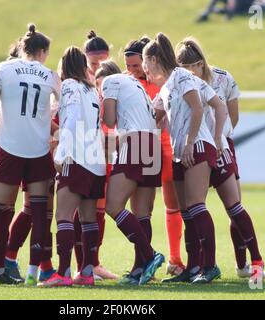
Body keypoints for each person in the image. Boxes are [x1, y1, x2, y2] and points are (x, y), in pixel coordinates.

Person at [0, 23, 60, 287]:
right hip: (39, 151)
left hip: (9, 148)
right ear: (42, 51)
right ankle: (33, 274)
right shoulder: (50, 75)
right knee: (38, 210)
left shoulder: (3, 69)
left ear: (23, 48)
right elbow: (62, 109)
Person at [175, 37, 265, 281]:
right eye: (183, 68)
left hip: (220, 147)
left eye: (192, 66)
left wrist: (218, 138)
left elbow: (231, 117)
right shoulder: (179, 82)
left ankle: (250, 263)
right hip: (193, 150)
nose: (188, 72)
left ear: (200, 63)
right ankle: (198, 265)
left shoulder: (223, 78)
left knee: (234, 206)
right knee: (193, 209)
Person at [143, 33, 222, 284]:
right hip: (180, 152)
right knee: (186, 212)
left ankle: (209, 266)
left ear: (154, 59)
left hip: (196, 146)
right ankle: (193, 266)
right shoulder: (165, 86)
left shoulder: (181, 76)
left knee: (197, 206)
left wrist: (189, 142)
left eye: (145, 62)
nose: (144, 68)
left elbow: (198, 107)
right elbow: (151, 116)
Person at [39, 46, 107, 287]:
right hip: (95, 160)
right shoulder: (91, 90)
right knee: (88, 219)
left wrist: (61, 153)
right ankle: (86, 272)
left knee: (64, 216)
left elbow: (71, 119)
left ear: (64, 66)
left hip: (76, 157)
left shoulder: (69, 86)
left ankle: (64, 273)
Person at [95, 60, 165, 286]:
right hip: (152, 144)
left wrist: (101, 106)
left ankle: (149, 255)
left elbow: (110, 120)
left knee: (113, 206)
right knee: (142, 213)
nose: (99, 91)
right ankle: (139, 269)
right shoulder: (134, 84)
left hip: (135, 142)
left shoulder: (109, 81)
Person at [124, 36, 186, 276]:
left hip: (167, 147)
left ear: (148, 62)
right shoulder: (126, 83)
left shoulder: (163, 80)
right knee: (142, 209)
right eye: (127, 66)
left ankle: (176, 260)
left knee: (174, 206)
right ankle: (142, 263)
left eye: (136, 66)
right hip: (143, 150)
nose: (131, 71)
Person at [71, 30, 117, 280]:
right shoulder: (76, 82)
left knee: (99, 206)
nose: (98, 67)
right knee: (82, 206)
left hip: (106, 146)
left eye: (102, 62)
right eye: (93, 63)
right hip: (83, 148)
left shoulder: (112, 78)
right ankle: (81, 266)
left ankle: (93, 263)